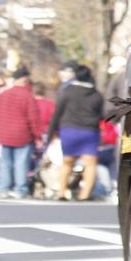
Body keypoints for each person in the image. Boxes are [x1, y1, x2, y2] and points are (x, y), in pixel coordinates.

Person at [46, 64, 104, 201]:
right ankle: (85, 194)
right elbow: (102, 115)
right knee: (90, 164)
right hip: (90, 131)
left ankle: (62, 192)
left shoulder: (67, 91)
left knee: (67, 162)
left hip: (69, 130)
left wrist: (50, 133)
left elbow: (57, 113)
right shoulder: (97, 94)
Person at [0, 66, 43, 199]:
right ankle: (20, 189)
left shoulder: (4, 94)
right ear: (25, 80)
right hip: (23, 135)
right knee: (21, 163)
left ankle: (4, 188)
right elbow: (33, 119)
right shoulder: (28, 97)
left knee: (6, 162)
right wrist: (38, 136)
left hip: (5, 134)